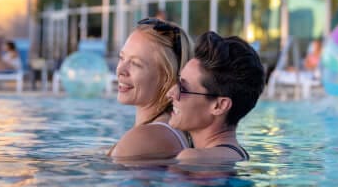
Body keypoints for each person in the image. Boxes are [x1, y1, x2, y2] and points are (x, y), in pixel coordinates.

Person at [167, 31, 266, 162]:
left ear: (219, 105)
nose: (170, 93)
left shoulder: (192, 159)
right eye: (178, 81)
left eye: (183, 88)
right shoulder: (238, 155)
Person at [108, 17, 194, 160]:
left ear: (167, 78)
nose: (120, 70)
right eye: (122, 58)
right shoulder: (165, 131)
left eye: (136, 63)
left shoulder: (144, 139)